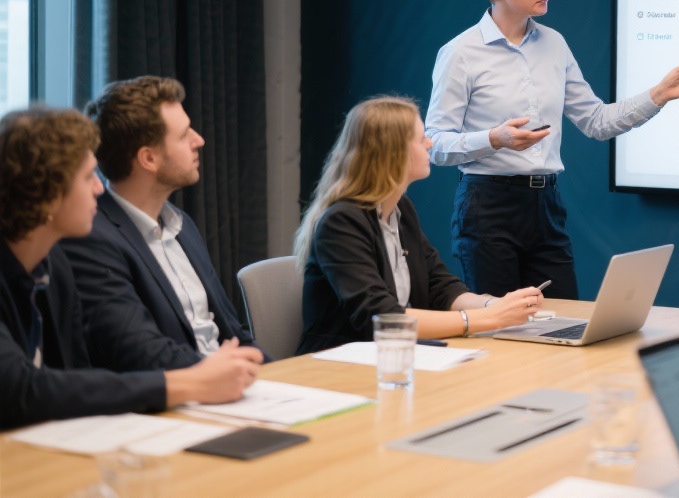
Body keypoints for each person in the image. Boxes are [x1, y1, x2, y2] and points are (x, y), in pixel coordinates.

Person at [424, 0, 679, 299]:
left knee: (564, 318)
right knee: (500, 323)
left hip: (545, 205)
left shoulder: (554, 43)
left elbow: (597, 121)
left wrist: (659, 94)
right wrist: (494, 139)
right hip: (487, 206)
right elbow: (435, 144)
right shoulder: (460, 52)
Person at [0, 107, 260, 430]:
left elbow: (77, 376)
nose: (99, 188)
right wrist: (189, 383)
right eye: (88, 177)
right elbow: (17, 388)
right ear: (48, 195)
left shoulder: (54, 268)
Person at [296, 96, 545, 353]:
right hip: (337, 364)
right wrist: (489, 318)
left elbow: (440, 286)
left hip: (393, 356)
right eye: (420, 139)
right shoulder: (341, 222)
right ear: (392, 152)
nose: (430, 143)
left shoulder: (401, 209)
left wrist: (497, 306)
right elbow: (383, 318)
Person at [61, 77, 265, 371]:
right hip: (181, 389)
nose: (199, 140)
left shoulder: (183, 226)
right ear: (148, 158)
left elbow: (234, 332)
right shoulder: (92, 238)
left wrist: (278, 375)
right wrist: (223, 371)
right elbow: (138, 351)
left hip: (231, 383)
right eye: (184, 135)